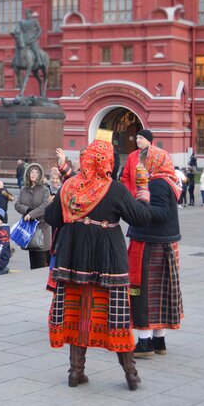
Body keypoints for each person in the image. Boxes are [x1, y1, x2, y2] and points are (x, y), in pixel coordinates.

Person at [45, 139, 154, 390]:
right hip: (109, 262)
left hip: (72, 261)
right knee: (115, 317)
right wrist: (143, 189)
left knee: (78, 314)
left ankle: (76, 372)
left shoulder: (69, 186)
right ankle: (131, 375)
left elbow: (52, 217)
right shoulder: (113, 189)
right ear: (107, 161)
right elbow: (141, 217)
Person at [127, 145, 184, 358]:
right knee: (159, 295)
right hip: (162, 242)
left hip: (150, 244)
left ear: (153, 161)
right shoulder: (166, 180)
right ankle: (158, 340)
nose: (140, 166)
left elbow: (160, 212)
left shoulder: (158, 183)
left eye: (142, 162)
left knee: (143, 292)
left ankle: (144, 343)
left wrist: (138, 207)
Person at [15, 162, 52, 269]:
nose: (34, 174)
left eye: (36, 172)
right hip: (29, 229)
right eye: (32, 172)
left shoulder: (44, 189)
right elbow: (17, 204)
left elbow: (45, 205)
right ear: (28, 174)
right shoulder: (23, 189)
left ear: (40, 175)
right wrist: (27, 210)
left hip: (42, 227)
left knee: (41, 258)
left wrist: (31, 214)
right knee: (33, 258)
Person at [120, 130, 153, 196]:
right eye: (137, 138)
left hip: (152, 197)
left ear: (148, 140)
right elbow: (125, 178)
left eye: (141, 138)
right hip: (134, 197)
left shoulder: (158, 155)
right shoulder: (131, 156)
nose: (137, 140)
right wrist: (129, 193)